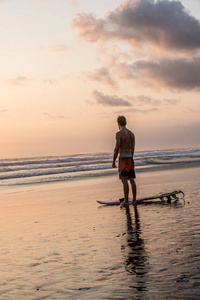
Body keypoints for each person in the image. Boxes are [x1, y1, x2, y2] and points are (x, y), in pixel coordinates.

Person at [112, 116, 137, 207]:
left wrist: (113, 160)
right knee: (131, 179)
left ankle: (126, 201)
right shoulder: (131, 134)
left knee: (124, 179)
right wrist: (131, 157)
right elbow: (133, 148)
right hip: (130, 157)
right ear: (125, 123)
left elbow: (117, 148)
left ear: (118, 123)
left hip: (123, 157)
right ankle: (134, 200)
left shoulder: (119, 134)